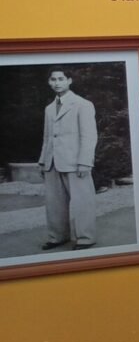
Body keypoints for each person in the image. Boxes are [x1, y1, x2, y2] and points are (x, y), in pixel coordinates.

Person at [38, 68, 99, 251]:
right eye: (53, 79)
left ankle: (86, 238)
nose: (57, 83)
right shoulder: (49, 109)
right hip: (52, 162)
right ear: (49, 82)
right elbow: (47, 137)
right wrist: (43, 161)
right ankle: (58, 236)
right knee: (54, 203)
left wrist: (85, 162)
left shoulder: (82, 104)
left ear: (69, 80)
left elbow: (89, 136)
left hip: (75, 162)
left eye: (61, 79)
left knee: (82, 202)